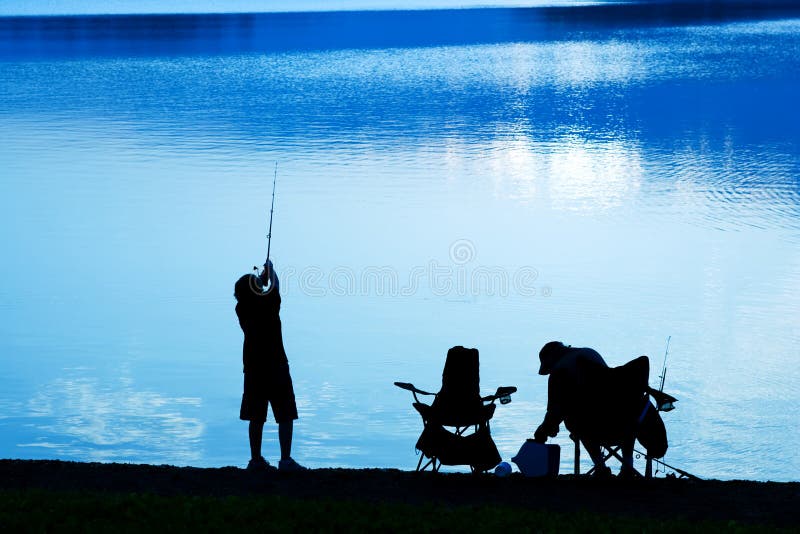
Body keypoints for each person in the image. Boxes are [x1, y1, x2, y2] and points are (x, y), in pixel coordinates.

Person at [234, 259, 306, 472]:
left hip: (254, 368)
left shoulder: (241, 309)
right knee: (285, 414)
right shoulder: (270, 304)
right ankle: (285, 460)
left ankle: (255, 460)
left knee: (256, 416)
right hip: (276, 366)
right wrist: (271, 270)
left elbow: (263, 290)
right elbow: (275, 287)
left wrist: (260, 279)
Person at [532, 341, 622, 478]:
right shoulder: (590, 352)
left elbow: (556, 410)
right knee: (582, 413)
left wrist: (544, 430)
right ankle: (627, 466)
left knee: (576, 422)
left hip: (595, 426)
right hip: (622, 420)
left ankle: (600, 467)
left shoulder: (559, 372)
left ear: (551, 359)